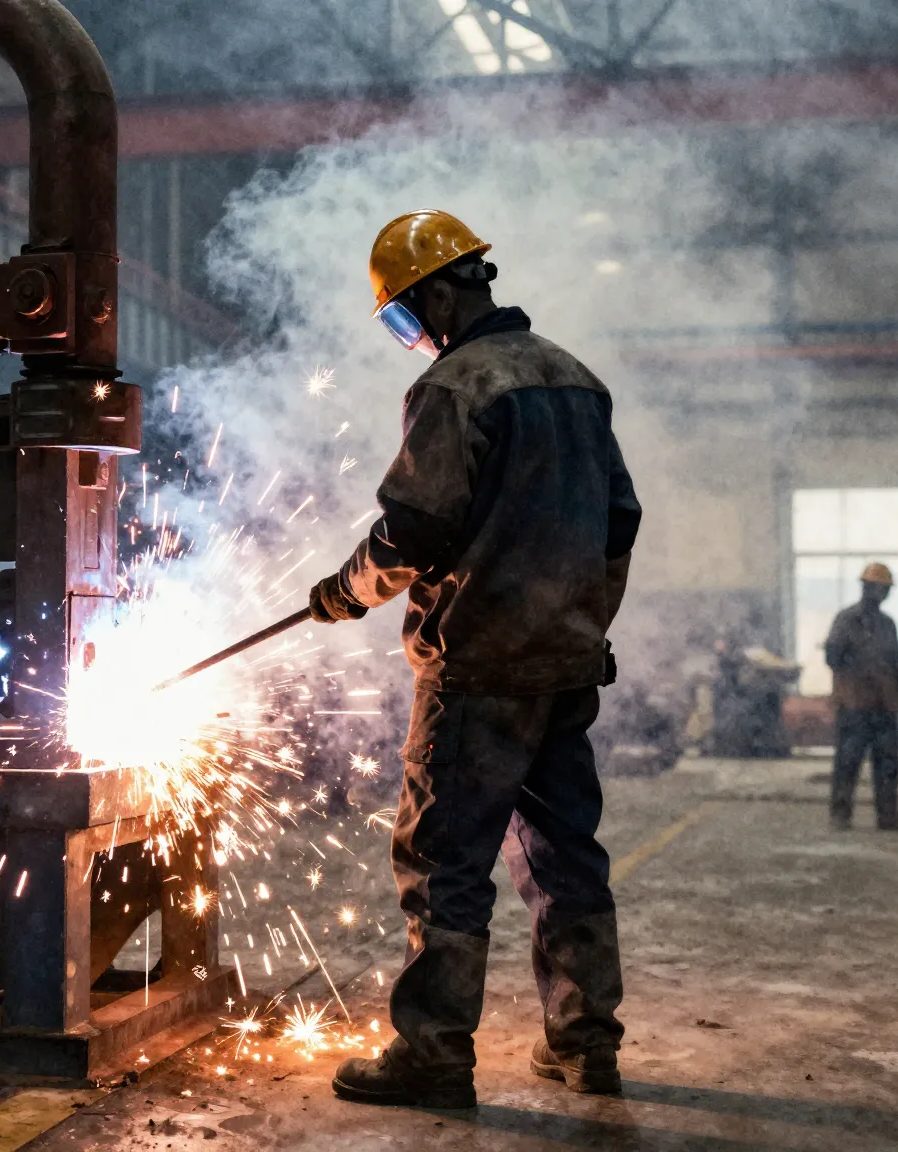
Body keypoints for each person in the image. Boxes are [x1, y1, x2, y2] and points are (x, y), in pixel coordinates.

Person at [304, 209, 642, 1109]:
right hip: (565, 670)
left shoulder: (457, 387)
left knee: (445, 864)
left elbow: (415, 528)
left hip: (478, 675)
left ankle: (434, 1054)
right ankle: (586, 1043)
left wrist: (345, 590)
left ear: (439, 293)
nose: (411, 339)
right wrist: (580, 621)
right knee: (567, 858)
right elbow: (620, 522)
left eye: (406, 318)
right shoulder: (577, 380)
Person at [822, 563, 898, 832]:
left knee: (888, 762)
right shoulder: (846, 620)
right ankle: (840, 815)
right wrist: (860, 666)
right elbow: (832, 657)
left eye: (884, 589)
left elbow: (897, 662)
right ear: (866, 588)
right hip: (855, 704)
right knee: (848, 760)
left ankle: (888, 816)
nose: (881, 593)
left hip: (882, 704)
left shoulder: (887, 625)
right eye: (878, 588)